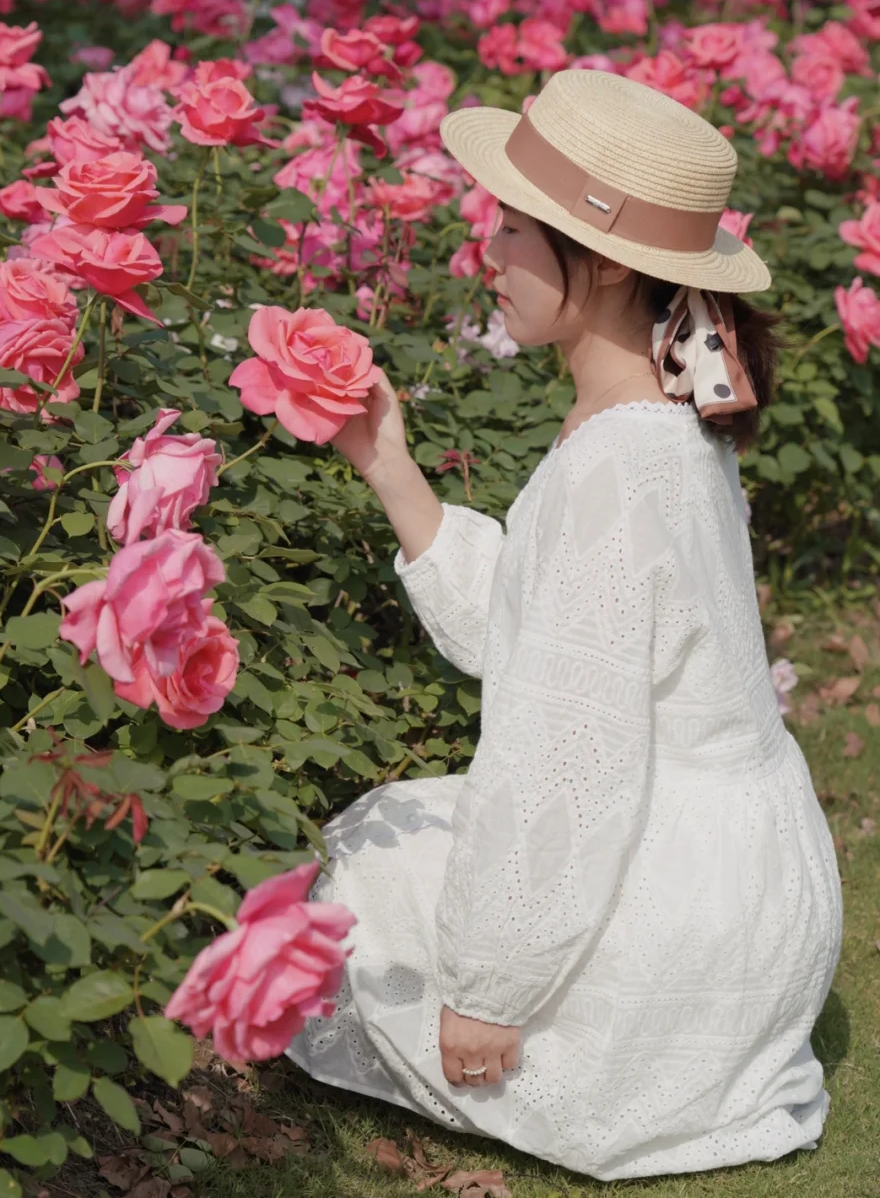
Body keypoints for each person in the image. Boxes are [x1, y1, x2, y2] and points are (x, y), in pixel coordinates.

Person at [284, 69, 843, 1182]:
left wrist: (491, 991)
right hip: (751, 880)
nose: (486, 252)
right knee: (391, 837)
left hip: (691, 918)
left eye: (512, 230)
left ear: (608, 263)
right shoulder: (662, 415)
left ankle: (602, 1047)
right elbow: (534, 634)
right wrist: (388, 464)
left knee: (348, 888)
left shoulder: (621, 469)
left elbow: (565, 759)